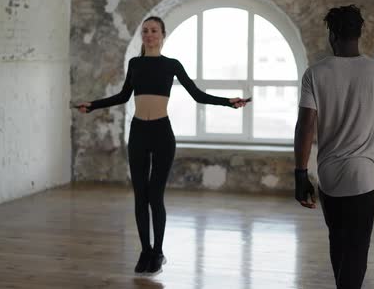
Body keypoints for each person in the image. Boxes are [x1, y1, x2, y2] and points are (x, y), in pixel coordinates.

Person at [74, 16, 250, 275]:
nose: (149, 34)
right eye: (145, 31)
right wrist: (93, 105)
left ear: (163, 35)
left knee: (155, 196)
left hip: (161, 133)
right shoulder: (134, 64)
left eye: (154, 31)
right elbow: (124, 96)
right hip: (138, 133)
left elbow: (197, 94)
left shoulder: (171, 65)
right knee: (140, 196)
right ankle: (145, 251)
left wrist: (228, 102)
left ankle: (158, 252)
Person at [293, 5, 374, 289]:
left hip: (329, 176)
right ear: (360, 31)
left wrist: (300, 174)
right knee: (357, 249)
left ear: (332, 34)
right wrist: (363, 122)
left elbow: (306, 126)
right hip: (364, 176)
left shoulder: (315, 73)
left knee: (337, 241)